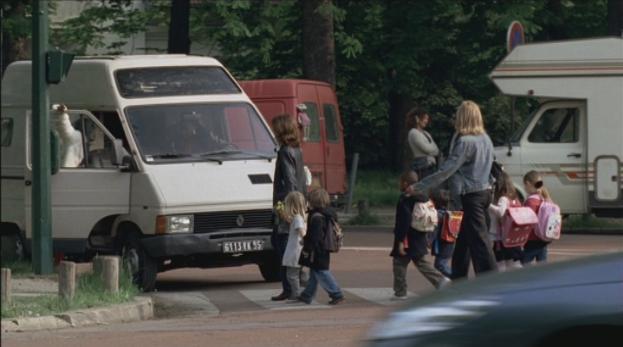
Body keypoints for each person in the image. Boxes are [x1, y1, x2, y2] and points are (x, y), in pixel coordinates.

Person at [409, 100, 497, 280]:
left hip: (470, 195)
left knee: (480, 244)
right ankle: (459, 278)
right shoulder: (485, 139)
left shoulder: (465, 141)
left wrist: (419, 186)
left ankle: (491, 283)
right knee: (464, 241)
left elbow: (447, 170)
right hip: (485, 191)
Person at [391, 171, 451, 300]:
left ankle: (400, 292)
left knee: (399, 263)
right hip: (420, 235)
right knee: (421, 262)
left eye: (401, 182)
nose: (399, 184)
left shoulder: (405, 199)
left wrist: (400, 240)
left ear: (405, 183)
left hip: (407, 237)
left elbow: (404, 221)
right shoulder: (423, 197)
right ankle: (441, 281)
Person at [270, 114, 307, 301]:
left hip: (286, 202)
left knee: (283, 246)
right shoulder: (297, 150)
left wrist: (284, 208)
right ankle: (294, 284)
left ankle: (290, 288)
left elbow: (289, 180)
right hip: (299, 200)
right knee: (290, 245)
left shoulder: (284, 152)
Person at [297, 188, 345, 305]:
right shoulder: (329, 213)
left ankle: (336, 293)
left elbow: (315, 236)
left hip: (317, 249)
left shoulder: (316, 217)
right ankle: (307, 294)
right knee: (315, 271)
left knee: (321, 271)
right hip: (325, 248)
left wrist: (307, 246)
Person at [488, 171, 523, 271]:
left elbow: (501, 212)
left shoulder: (503, 198)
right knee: (513, 261)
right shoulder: (514, 198)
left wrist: (488, 205)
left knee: (501, 261)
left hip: (502, 237)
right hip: (512, 235)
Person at [281, 191, 307, 301]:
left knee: (292, 275)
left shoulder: (297, 218)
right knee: (295, 273)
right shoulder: (299, 217)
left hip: (295, 250)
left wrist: (303, 234)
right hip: (296, 250)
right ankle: (302, 289)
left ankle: (296, 294)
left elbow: (302, 232)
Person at [521, 171, 552, 265]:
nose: (524, 188)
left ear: (528, 183)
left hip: (531, 239)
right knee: (543, 268)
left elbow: (526, 221)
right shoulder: (545, 199)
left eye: (524, 185)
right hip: (544, 239)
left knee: (524, 266)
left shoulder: (530, 202)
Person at [406, 107, 439, 179]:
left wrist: (432, 149)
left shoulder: (426, 133)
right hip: (422, 167)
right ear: (417, 118)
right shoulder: (413, 132)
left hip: (431, 166)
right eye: (424, 118)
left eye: (427, 119)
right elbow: (426, 149)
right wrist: (432, 149)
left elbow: (437, 150)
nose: (426, 121)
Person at [430, 189, 455, 278]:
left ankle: (457, 278)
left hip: (445, 243)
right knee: (440, 264)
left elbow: (434, 231)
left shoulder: (438, 215)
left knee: (440, 264)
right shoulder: (447, 212)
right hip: (449, 242)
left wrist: (428, 241)